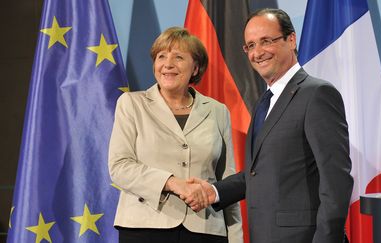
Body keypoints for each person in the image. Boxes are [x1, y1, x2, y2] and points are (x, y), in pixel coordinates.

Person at [188, 8, 353, 243]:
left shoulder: (317, 94)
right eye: (251, 45)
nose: (257, 53)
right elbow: (259, 174)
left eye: (266, 41)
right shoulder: (264, 102)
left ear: (291, 39)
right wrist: (212, 191)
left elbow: (336, 179)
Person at [108, 27, 243, 243]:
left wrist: (235, 238)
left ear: (196, 67)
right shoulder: (131, 104)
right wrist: (172, 182)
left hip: (206, 230)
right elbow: (120, 166)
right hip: (145, 228)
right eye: (161, 56)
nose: (167, 64)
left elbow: (227, 180)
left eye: (178, 57)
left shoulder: (218, 111)